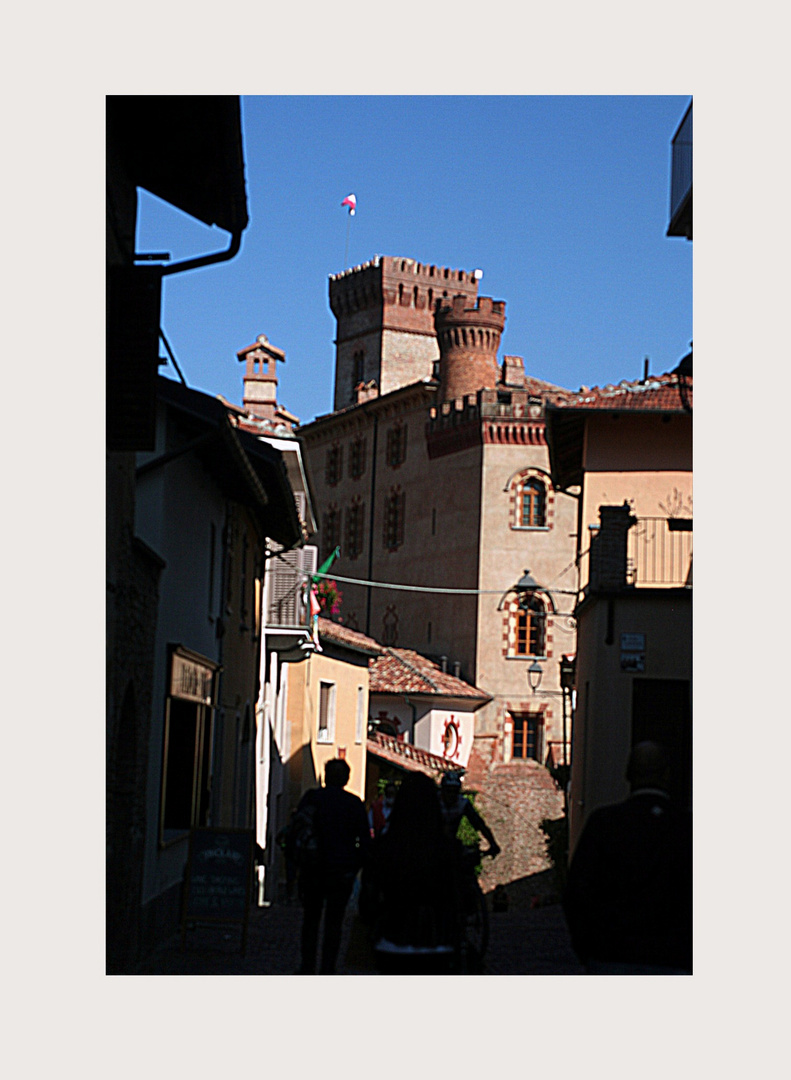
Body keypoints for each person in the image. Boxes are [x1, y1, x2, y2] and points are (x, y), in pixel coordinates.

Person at [563, 741, 692, 975]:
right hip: (672, 957)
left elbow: (577, 891)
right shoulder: (686, 827)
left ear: (628, 775)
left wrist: (586, 949)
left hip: (612, 955)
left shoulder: (604, 823)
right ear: (667, 774)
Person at [360, 771, 464, 974]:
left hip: (392, 941)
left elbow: (368, 900)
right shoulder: (448, 849)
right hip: (438, 943)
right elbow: (458, 899)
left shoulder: (384, 847)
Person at [296, 758, 371, 975]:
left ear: (325, 775)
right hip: (341, 871)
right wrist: (355, 866)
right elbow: (364, 840)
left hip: (313, 869)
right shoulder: (354, 804)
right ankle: (328, 967)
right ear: (347, 779)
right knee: (334, 923)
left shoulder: (312, 799)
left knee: (310, 920)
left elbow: (297, 829)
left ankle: (307, 966)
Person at [438, 771, 501, 857]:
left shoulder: (462, 803)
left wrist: (492, 843)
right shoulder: (433, 800)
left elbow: (479, 824)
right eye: (448, 790)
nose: (451, 795)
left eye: (455, 791)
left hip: (450, 843)